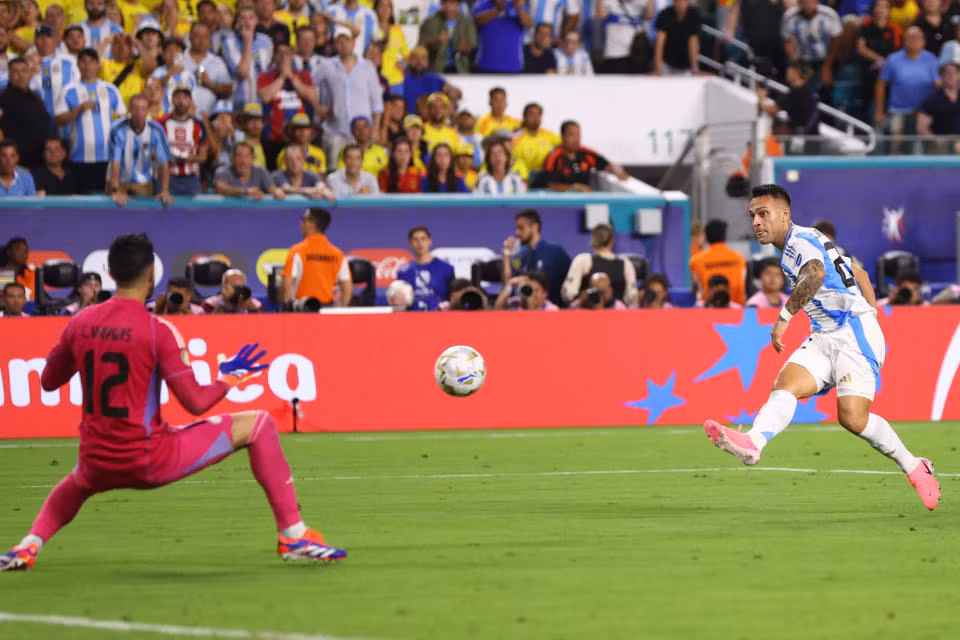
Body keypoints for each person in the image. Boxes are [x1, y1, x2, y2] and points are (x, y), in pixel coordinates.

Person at [0, 232, 346, 572]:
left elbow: (48, 382)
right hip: (150, 458)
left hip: (96, 459)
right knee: (259, 424)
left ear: (110, 272)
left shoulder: (80, 323)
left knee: (78, 483)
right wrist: (227, 379)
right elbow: (195, 402)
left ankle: (30, 544)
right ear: (152, 275)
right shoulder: (158, 330)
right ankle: (293, 535)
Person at [704, 184, 940, 511]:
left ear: (784, 215)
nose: (756, 222)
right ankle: (752, 444)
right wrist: (871, 312)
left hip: (853, 333)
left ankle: (915, 466)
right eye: (753, 215)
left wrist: (785, 318)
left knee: (853, 419)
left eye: (763, 213)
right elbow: (860, 274)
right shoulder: (801, 242)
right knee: (786, 384)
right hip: (825, 334)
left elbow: (814, 275)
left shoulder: (800, 241)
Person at [311, 26, 383, 170]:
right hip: (336, 131)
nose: (343, 44)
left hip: (362, 134)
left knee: (363, 171)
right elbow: (309, 84)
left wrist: (376, 129)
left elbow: (377, 103)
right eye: (339, 41)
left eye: (347, 40)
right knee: (334, 171)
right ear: (335, 44)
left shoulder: (367, 67)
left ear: (353, 43)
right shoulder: (327, 66)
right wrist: (318, 108)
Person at [55, 48, 126, 193]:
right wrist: (78, 110)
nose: (87, 66)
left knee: (105, 198)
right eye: (83, 62)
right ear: (78, 65)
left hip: (107, 157)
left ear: (98, 65)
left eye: (91, 62)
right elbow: (58, 120)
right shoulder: (69, 90)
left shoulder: (110, 89)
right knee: (80, 199)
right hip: (78, 158)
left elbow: (123, 118)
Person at [257, 27, 318, 163]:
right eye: (280, 54)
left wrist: (291, 76)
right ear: (274, 57)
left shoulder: (303, 75)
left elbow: (311, 96)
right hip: (273, 138)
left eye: (287, 54)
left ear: (292, 56)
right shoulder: (265, 76)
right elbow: (265, 97)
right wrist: (282, 77)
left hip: (299, 138)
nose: (284, 57)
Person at [107, 94, 174, 207]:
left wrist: (165, 190)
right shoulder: (117, 129)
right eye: (135, 108)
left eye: (143, 109)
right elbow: (115, 163)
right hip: (119, 182)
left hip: (144, 184)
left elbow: (164, 163)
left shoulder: (157, 130)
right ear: (129, 110)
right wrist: (116, 190)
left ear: (148, 110)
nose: (139, 112)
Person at [875, 26, 939, 139]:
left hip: (923, 111)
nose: (913, 41)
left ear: (923, 41)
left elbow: (937, 86)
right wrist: (879, 111)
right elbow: (881, 84)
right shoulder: (892, 59)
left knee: (922, 143)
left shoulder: (932, 59)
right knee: (897, 143)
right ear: (904, 40)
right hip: (898, 110)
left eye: (917, 38)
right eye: (910, 37)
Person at [281, 207, 353, 308]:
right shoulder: (337, 254)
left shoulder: (297, 251)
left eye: (303, 219)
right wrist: (342, 309)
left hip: (302, 309)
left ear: (312, 223)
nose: (301, 224)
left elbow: (287, 284)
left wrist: (287, 310)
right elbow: (347, 286)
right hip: (327, 310)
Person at [502, 208, 571, 307]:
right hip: (526, 312)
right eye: (516, 228)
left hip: (553, 311)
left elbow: (570, 283)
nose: (517, 233)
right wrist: (506, 254)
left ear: (535, 227)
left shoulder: (554, 251)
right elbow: (509, 284)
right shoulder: (521, 255)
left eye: (521, 228)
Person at [561, 223, 637, 306]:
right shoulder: (626, 264)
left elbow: (569, 294)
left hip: (590, 311)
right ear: (612, 240)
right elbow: (631, 297)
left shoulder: (582, 260)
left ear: (593, 238)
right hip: (616, 311)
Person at [542, 120, 627, 192]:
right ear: (563, 137)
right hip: (562, 201)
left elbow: (606, 165)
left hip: (585, 199)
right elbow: (550, 185)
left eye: (578, 135)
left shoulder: (587, 153)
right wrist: (574, 188)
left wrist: (617, 171)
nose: (576, 139)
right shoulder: (554, 157)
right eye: (572, 135)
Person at [0, 57, 50, 170]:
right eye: (16, 71)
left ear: (29, 73)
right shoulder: (3, 100)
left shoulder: (36, 98)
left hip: (40, 163)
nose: (21, 75)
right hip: (16, 165)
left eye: (24, 71)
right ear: (9, 75)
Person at [157, 87, 208, 196]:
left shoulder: (198, 125)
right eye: (178, 97)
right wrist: (168, 155)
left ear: (190, 101)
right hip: (167, 178)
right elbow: (153, 151)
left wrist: (187, 157)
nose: (181, 101)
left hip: (191, 179)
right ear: (172, 100)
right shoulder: (161, 124)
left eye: (185, 97)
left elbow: (203, 156)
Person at [222, 6, 274, 108]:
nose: (247, 21)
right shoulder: (230, 42)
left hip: (261, 103)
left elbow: (266, 70)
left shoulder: (266, 42)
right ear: (237, 22)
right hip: (239, 103)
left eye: (251, 17)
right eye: (243, 18)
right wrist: (248, 41)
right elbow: (243, 72)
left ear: (257, 21)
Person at [30, 24, 79, 131]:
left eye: (47, 36)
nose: (44, 40)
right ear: (35, 41)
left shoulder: (70, 61)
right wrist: (29, 70)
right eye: (40, 37)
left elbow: (79, 86)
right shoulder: (27, 63)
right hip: (36, 122)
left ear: (55, 39)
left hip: (66, 121)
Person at [689, 219, 747, 306]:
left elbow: (695, 288)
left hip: (708, 308)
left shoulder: (695, 261)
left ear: (706, 237)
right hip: (737, 308)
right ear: (724, 236)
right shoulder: (740, 259)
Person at [395, 226, 455, 311]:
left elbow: (453, 297)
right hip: (412, 317)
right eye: (415, 239)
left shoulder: (446, 269)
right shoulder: (403, 273)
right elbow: (400, 304)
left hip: (440, 316)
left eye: (423, 239)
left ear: (429, 241)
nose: (419, 243)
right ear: (410, 243)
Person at [183, 21, 234, 117]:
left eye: (205, 36)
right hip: (182, 116)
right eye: (198, 35)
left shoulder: (217, 62)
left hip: (209, 117)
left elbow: (228, 90)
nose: (202, 40)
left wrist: (210, 84)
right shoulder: (180, 59)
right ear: (190, 37)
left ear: (209, 40)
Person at [400, 44, 462, 116]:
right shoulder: (402, 77)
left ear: (427, 61)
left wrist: (453, 92)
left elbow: (456, 93)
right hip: (409, 118)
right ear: (409, 60)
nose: (419, 62)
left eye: (423, 58)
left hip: (432, 119)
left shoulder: (434, 78)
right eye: (415, 58)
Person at [473, 0, 533, 73]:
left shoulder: (516, 5)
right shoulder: (481, 4)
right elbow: (477, 21)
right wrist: (496, 10)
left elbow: (529, 24)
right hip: (485, 65)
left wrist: (519, 9)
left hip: (513, 66)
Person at [419, 0, 476, 74]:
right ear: (441, 4)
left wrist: (465, 47)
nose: (448, 7)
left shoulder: (467, 22)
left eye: (452, 3)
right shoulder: (430, 22)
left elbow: (472, 46)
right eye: (445, 3)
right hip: (435, 69)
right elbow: (421, 47)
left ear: (458, 5)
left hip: (461, 69)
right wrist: (437, 43)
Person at [214, 140, 286, 199]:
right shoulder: (223, 171)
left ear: (253, 158)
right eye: (239, 156)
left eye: (247, 156)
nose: (243, 162)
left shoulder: (260, 171)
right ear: (232, 158)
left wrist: (277, 192)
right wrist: (246, 191)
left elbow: (273, 189)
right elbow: (220, 189)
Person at [917, 61, 960, 148]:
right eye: (947, 73)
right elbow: (921, 128)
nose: (951, 76)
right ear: (941, 76)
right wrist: (936, 142)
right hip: (938, 145)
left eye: (954, 73)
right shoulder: (932, 99)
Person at [653, 0, 701, 76]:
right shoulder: (665, 14)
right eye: (677, 1)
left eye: (683, 1)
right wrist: (658, 68)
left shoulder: (693, 15)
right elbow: (660, 42)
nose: (680, 4)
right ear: (673, 2)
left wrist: (695, 67)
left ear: (687, 2)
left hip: (686, 66)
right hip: (667, 64)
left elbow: (693, 42)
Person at [512, 102, 561, 173]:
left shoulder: (547, 134)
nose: (535, 118)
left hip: (542, 174)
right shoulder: (516, 135)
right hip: (520, 174)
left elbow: (566, 144)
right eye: (531, 114)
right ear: (524, 117)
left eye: (538, 114)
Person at [494, 271, 559, 310]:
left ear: (545, 293)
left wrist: (531, 307)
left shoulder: (553, 310)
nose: (533, 293)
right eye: (530, 289)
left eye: (536, 290)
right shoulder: (516, 303)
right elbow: (497, 309)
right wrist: (510, 284)